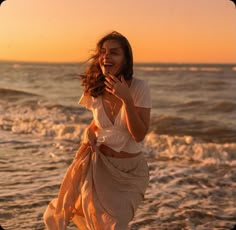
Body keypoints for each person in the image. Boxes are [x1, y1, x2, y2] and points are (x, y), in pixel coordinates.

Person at [43, 31, 152, 230]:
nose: (106, 56)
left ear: (126, 59)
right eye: (102, 52)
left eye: (114, 52)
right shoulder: (94, 89)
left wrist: (126, 99)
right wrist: (89, 132)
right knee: (91, 220)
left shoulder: (139, 88)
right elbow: (97, 124)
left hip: (129, 173)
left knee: (116, 224)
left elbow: (139, 134)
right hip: (99, 166)